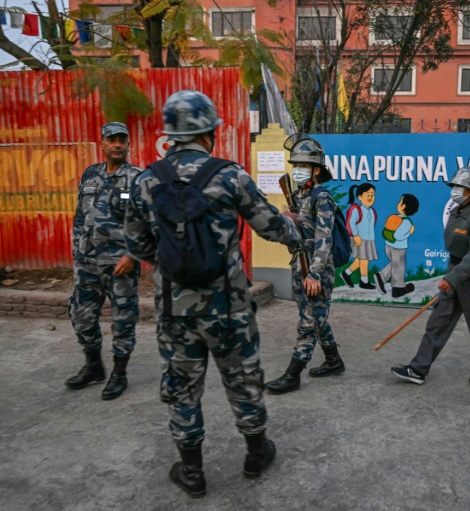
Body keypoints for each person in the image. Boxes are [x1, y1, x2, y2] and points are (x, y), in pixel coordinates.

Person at [124, 90, 301, 498]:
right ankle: (256, 456)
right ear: (209, 132)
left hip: (174, 310)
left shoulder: (146, 180)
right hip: (229, 308)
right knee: (243, 380)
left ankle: (192, 473)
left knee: (183, 388)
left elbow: (136, 246)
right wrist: (297, 230)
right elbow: (272, 228)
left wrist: (171, 266)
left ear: (170, 135)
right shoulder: (230, 175)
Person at [391, 166, 470, 386]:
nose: (456, 190)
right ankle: (418, 369)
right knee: (438, 322)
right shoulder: (456, 211)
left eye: (461, 186)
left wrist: (453, 278)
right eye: (455, 186)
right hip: (454, 273)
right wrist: (451, 276)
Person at [66, 122, 142, 401]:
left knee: (123, 319)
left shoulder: (137, 178)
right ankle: (94, 366)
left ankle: (119, 373)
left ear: (128, 144)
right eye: (112, 139)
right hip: (86, 263)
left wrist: (132, 254)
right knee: (81, 315)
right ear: (103, 143)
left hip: (120, 264)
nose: (118, 144)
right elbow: (79, 217)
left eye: (123, 139)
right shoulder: (90, 175)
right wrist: (76, 250)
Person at [265, 134, 345, 395]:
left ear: (316, 170)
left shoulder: (322, 198)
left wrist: (314, 274)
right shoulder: (300, 196)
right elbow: (299, 234)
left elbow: (324, 239)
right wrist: (289, 220)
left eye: (303, 166)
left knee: (307, 323)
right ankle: (334, 361)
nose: (297, 170)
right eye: (295, 165)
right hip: (300, 265)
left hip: (316, 269)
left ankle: (293, 374)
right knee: (318, 319)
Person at [375, 193, 420, 298]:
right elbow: (398, 236)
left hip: (388, 245)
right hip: (398, 248)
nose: (398, 203)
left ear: (403, 206)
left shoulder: (394, 218)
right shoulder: (406, 222)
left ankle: (381, 276)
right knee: (399, 266)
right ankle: (398, 288)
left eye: (400, 201)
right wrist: (410, 231)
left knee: (395, 264)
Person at [341, 183, 378, 289]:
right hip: (360, 239)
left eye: (372, 195)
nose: (371, 197)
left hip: (369, 239)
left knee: (359, 260)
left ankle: (346, 273)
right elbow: (352, 223)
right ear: (360, 197)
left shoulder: (372, 211)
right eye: (368, 195)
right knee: (364, 260)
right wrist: (356, 236)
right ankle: (364, 281)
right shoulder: (357, 210)